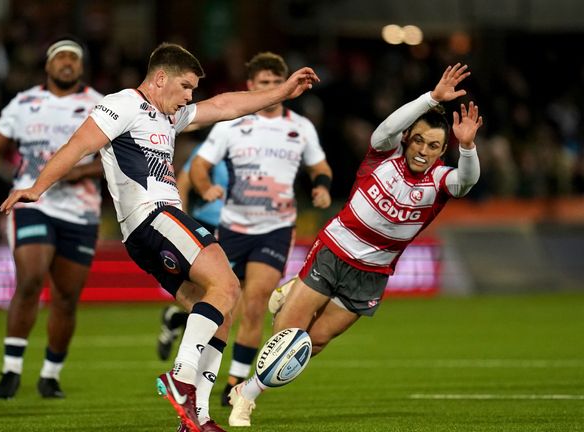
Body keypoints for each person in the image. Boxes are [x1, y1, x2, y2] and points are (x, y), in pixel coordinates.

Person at [0, 43, 319, 432]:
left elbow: (226, 105)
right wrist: (38, 187)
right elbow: (78, 146)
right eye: (185, 86)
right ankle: (181, 378)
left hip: (146, 231)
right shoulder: (124, 104)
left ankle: (196, 419)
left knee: (219, 310)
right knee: (227, 284)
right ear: (161, 78)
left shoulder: (170, 115)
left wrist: (282, 92)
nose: (189, 97)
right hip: (154, 215)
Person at [227, 63, 483, 427]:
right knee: (287, 334)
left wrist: (469, 147)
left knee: (312, 344)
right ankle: (250, 392)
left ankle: (246, 391)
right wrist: (431, 99)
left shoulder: (441, 180)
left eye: (435, 146)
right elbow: (386, 129)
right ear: (408, 138)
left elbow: (468, 181)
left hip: (372, 274)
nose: (424, 150)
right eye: (420, 140)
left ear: (443, 152)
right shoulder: (384, 156)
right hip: (334, 251)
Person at [188, 52, 334, 408]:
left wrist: (322, 185)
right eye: (263, 83)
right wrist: (205, 188)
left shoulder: (300, 127)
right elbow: (199, 166)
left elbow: (320, 165)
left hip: (276, 228)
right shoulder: (230, 125)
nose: (270, 89)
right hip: (234, 226)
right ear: (251, 86)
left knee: (255, 305)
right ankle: (200, 370)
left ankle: (235, 380)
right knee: (223, 306)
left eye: (275, 83)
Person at [0, 37, 104, 399]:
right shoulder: (23, 104)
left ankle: (50, 375)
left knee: (67, 297)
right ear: (48, 65)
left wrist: (83, 170)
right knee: (31, 278)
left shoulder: (100, 105)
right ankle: (11, 369)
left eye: (74, 57)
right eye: (60, 57)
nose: (67, 62)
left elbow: (118, 160)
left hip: (81, 212)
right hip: (33, 202)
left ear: (81, 67)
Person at [157, 145, 228, 362]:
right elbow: (184, 182)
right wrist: (182, 226)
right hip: (206, 226)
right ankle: (191, 368)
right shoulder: (215, 145)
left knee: (229, 302)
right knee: (222, 299)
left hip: (238, 230)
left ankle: (177, 319)